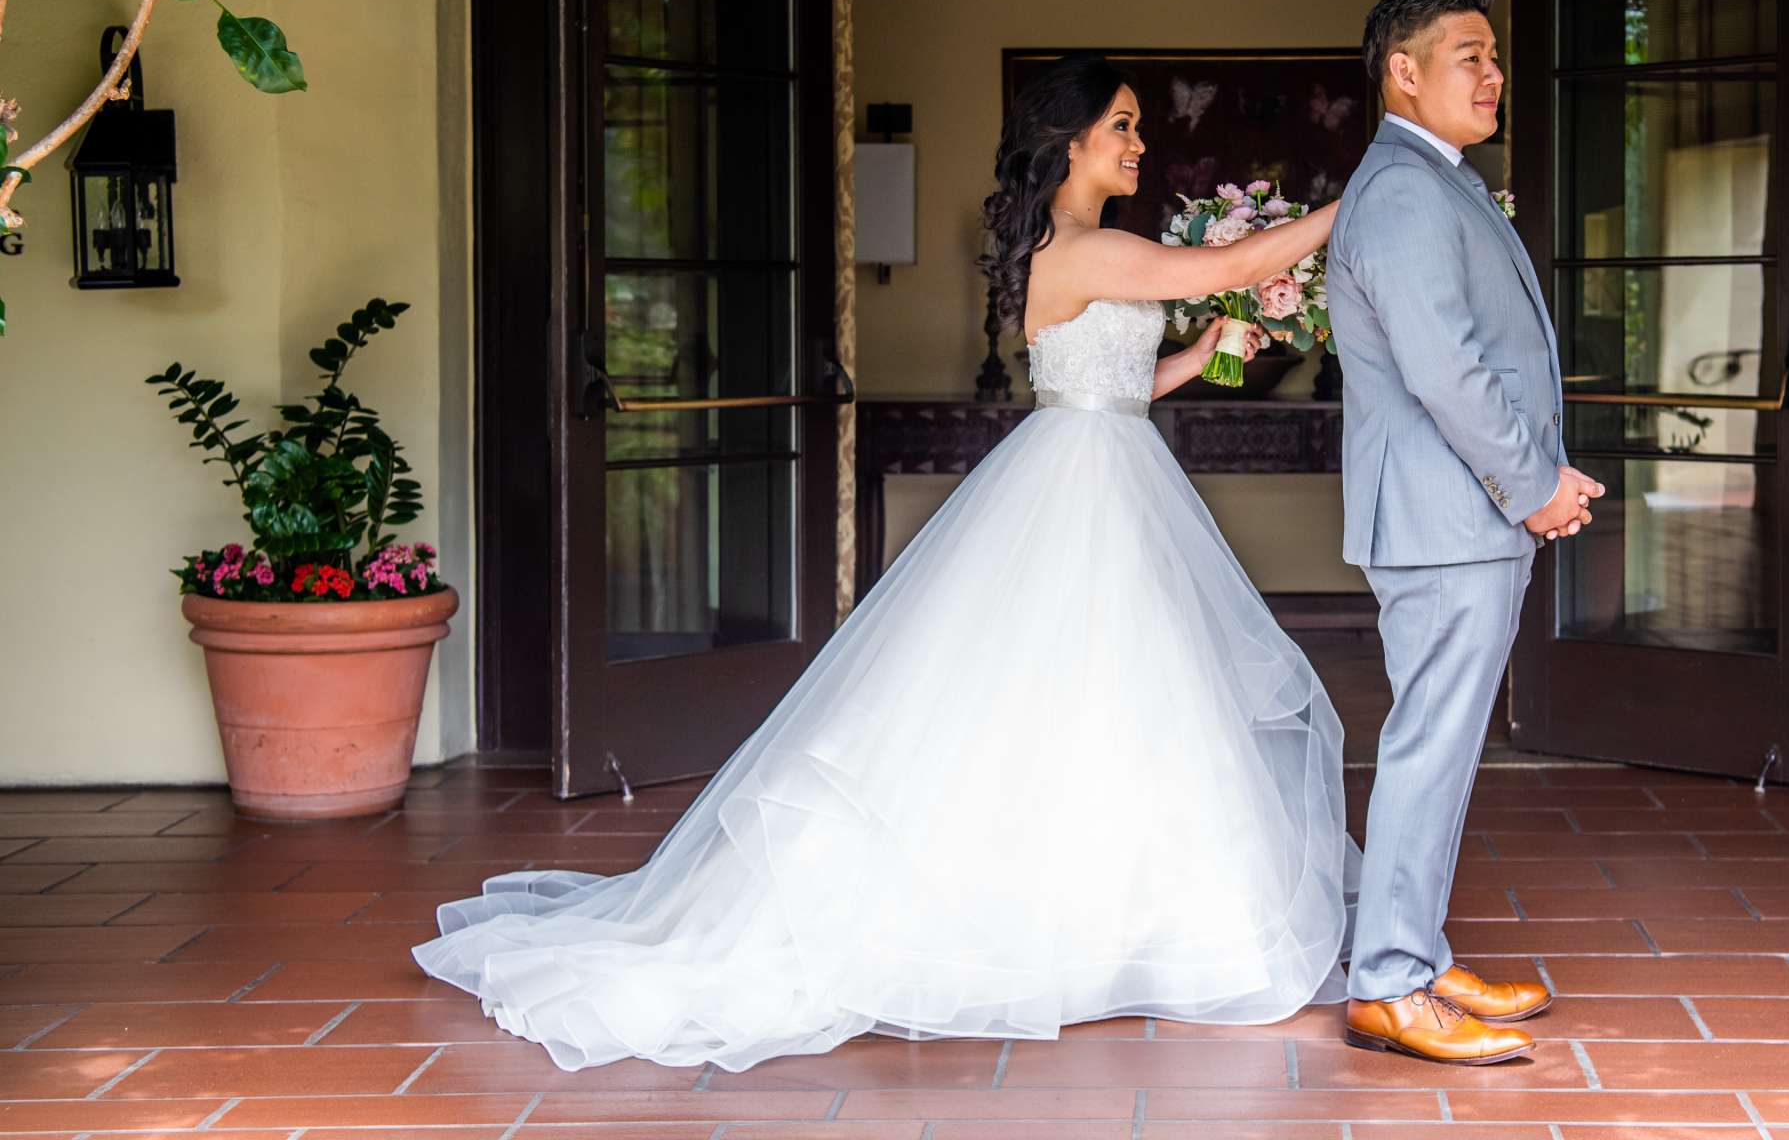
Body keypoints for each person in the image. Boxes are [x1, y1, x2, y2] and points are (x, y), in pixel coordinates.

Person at [414, 53, 1355, 1071]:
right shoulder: (1085, 247)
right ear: (1071, 141)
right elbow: (1222, 264)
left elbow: (1129, 380)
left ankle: (1116, 916)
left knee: (1113, 691)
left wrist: (1214, 343)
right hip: (1084, 484)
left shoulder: (1083, 249)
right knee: (1090, 685)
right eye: (1122, 126)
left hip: (1105, 456)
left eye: (1137, 125)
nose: (1139, 143)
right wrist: (1355, 201)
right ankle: (1069, 923)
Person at [1327, 0, 1604, 1065]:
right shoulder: (1401, 192)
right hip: (1449, 516)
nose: (1493, 77)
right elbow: (1448, 369)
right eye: (1469, 56)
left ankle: (1417, 952)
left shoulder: (1433, 182)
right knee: (1429, 744)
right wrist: (1533, 482)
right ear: (1404, 70)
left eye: (1495, 57)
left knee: (1440, 742)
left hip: (1459, 514)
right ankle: (1388, 982)